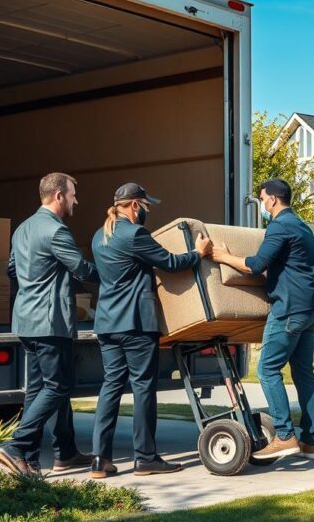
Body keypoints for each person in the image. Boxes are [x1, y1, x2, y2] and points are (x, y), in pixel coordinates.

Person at [89, 183, 212, 478]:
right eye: (146, 206)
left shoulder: (99, 236)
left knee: (111, 388)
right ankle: (145, 458)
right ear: (134, 205)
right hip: (136, 324)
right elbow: (170, 263)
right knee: (143, 388)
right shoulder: (135, 234)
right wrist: (198, 253)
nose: (146, 212)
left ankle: (99, 460)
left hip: (107, 324)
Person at [210, 179, 314, 460]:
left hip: (289, 308)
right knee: (303, 372)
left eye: (262, 200)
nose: (262, 205)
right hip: (312, 307)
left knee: (268, 370)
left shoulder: (279, 225)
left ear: (272, 199)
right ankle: (310, 441)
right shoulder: (301, 226)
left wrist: (222, 256)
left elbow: (255, 265)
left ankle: (285, 436)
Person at [0, 172, 99, 477]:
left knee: (39, 389)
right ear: (58, 196)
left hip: (26, 321)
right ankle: (16, 446)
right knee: (58, 386)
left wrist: (33, 286)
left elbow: (12, 269)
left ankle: (50, 456)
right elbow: (80, 269)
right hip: (50, 322)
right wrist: (118, 274)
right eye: (72, 194)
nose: (76, 200)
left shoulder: (23, 229)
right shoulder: (56, 231)